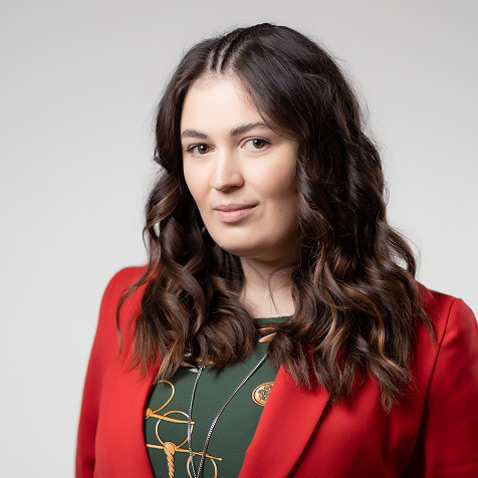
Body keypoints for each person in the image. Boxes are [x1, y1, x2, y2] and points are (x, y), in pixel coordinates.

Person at [75, 22, 478, 478]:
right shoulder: (130, 303)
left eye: (256, 143)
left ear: (320, 155)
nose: (222, 178)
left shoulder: (432, 337)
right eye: (200, 148)